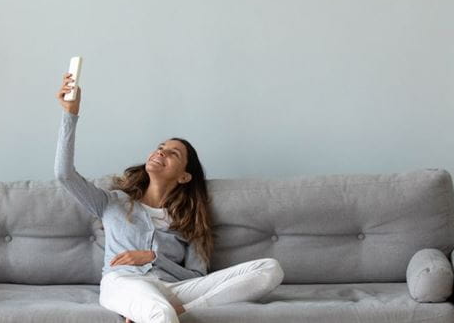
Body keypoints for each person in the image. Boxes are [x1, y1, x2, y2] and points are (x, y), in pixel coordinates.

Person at [54, 72, 284, 323]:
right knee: (160, 314)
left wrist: (154, 258)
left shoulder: (190, 220)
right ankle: (165, 311)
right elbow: (64, 174)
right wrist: (70, 114)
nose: (160, 153)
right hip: (125, 281)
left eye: (172, 153)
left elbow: (196, 276)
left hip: (175, 290)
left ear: (185, 177)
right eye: (161, 147)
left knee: (270, 269)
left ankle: (182, 310)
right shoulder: (112, 202)